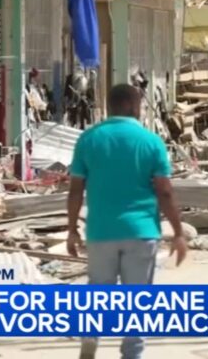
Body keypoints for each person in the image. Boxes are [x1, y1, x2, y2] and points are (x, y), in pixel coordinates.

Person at [66, 84, 188, 359]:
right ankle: (132, 354)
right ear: (135, 107)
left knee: (98, 293)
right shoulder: (150, 141)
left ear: (110, 106)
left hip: (100, 232)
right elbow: (165, 191)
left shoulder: (89, 139)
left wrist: (72, 230)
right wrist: (178, 232)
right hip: (141, 232)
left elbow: (75, 190)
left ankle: (90, 337)